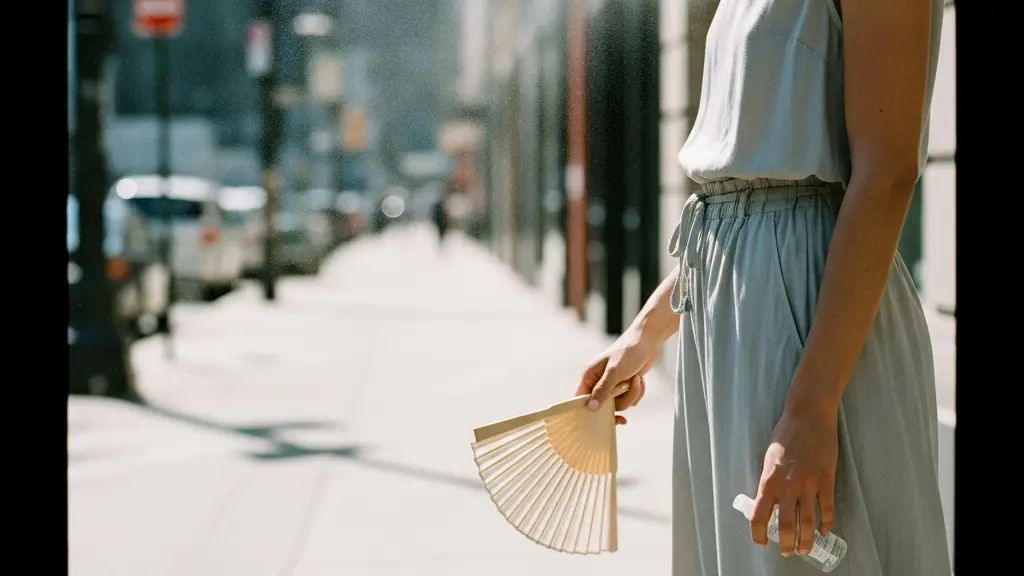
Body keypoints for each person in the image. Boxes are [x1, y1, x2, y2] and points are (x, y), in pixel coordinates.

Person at [576, 1, 950, 575]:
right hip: (728, 329)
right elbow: (743, 199)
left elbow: (887, 170)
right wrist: (647, 332)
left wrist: (810, 409)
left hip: (811, 324)